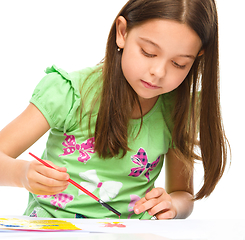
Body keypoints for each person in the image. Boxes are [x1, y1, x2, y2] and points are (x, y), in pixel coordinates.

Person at [0, 0, 229, 220]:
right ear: (122, 32)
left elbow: (182, 193)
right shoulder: (69, 92)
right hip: (54, 228)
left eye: (179, 63)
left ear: (197, 57)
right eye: (148, 52)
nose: (158, 71)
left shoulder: (177, 110)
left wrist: (172, 205)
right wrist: (21, 173)